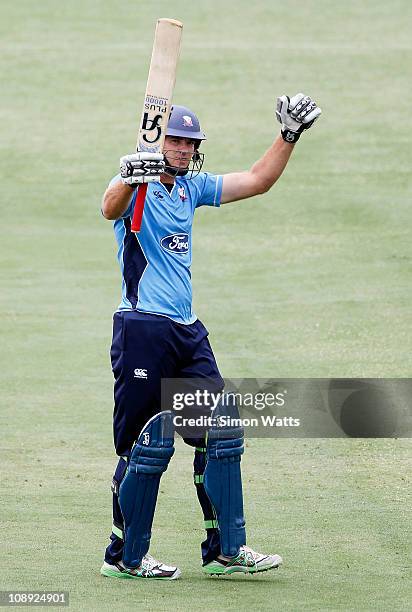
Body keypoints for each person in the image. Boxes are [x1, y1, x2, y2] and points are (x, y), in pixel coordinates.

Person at [100, 95, 322, 580]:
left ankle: (225, 550)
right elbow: (107, 207)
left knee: (220, 433)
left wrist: (287, 136)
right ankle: (123, 557)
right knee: (145, 445)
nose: (181, 149)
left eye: (189, 142)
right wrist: (126, 175)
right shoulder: (135, 188)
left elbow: (257, 181)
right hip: (142, 327)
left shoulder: (191, 189)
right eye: (174, 140)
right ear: (161, 141)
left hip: (185, 331)